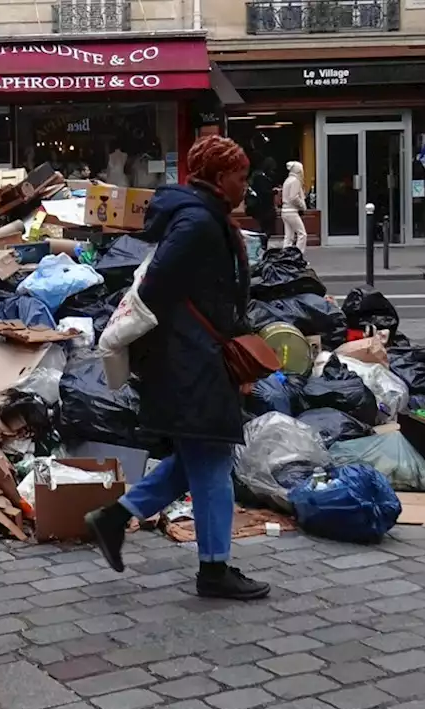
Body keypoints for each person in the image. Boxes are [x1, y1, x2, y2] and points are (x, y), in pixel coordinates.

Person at [84, 135, 270, 602]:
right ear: (218, 176)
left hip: (193, 356)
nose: (245, 185)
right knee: (210, 461)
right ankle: (214, 569)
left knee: (197, 459)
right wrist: (194, 338)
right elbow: (156, 286)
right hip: (192, 361)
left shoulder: (202, 216)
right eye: (240, 176)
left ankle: (114, 517)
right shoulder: (198, 222)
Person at [248, 157, 278, 248]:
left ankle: (262, 246)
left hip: (263, 208)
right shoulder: (261, 178)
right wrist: (274, 192)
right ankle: (262, 246)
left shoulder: (260, 176)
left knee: (265, 228)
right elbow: (263, 192)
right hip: (263, 208)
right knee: (265, 228)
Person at [282, 160, 309, 251]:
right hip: (291, 211)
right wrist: (302, 205)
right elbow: (293, 197)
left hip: (285, 211)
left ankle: (285, 257)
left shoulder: (288, 180)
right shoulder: (295, 181)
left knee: (288, 237)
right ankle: (298, 256)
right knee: (302, 234)